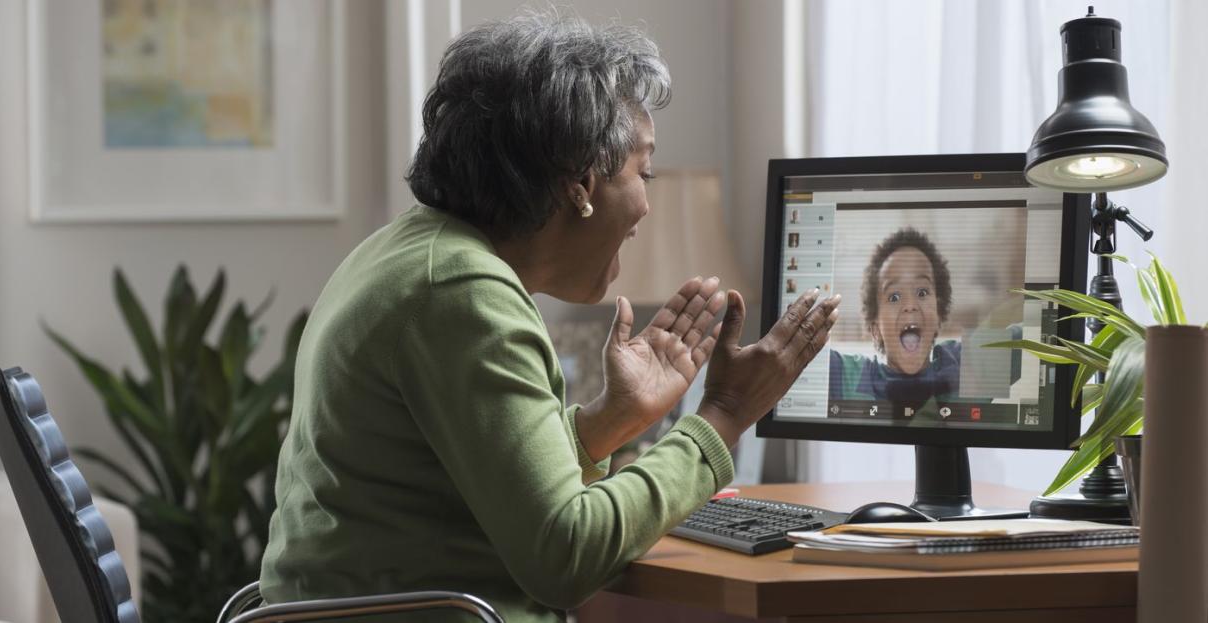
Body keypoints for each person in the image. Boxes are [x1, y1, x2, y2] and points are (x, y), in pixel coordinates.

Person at [259, 12, 840, 623]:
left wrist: (612, 420)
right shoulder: (463, 293)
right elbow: (566, 555)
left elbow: (482, 480)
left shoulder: (411, 253)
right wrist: (722, 415)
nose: (646, 205)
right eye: (643, 172)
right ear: (581, 183)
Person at [829, 228, 960, 408]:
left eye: (922, 292)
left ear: (938, 315)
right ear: (876, 329)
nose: (910, 305)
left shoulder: (960, 368)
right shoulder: (849, 377)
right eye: (894, 297)